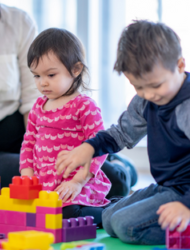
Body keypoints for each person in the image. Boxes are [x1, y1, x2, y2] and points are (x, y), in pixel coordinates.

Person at [0, 0, 137, 196]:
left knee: (111, 178)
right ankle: (112, 164)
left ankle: (115, 163)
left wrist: (44, 154)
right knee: (39, 187)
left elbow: (34, 98)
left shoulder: (17, 22)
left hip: (34, 137)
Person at [55, 20, 190, 244]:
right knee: (108, 219)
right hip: (167, 186)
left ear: (179, 65)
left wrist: (185, 205)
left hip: (185, 191)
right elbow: (121, 134)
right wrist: (89, 148)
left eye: (155, 86)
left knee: (125, 227)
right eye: (138, 87)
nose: (147, 94)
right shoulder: (145, 100)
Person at [20, 28, 110, 226]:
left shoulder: (84, 106)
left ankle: (113, 210)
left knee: (68, 215)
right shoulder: (37, 107)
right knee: (29, 215)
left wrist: (77, 182)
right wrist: (27, 177)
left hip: (79, 183)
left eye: (51, 75)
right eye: (36, 76)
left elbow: (99, 147)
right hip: (46, 185)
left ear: (76, 69)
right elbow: (29, 143)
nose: (42, 82)